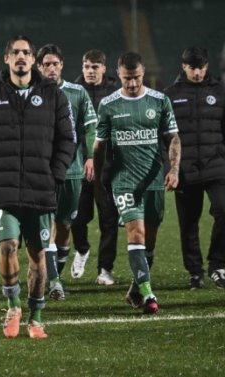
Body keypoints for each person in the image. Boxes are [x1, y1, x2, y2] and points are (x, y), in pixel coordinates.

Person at [0, 35, 75, 339]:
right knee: (7, 245)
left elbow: (66, 139)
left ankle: (37, 317)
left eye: (25, 53)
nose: (20, 57)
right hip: (3, 187)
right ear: (7, 59)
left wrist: (55, 174)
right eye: (15, 52)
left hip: (40, 187)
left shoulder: (53, 95)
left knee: (38, 255)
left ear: (32, 60)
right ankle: (13, 304)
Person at [93, 51, 181, 314]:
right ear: (119, 74)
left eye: (136, 78)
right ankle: (149, 294)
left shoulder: (160, 100)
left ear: (144, 73)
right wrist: (98, 182)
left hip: (153, 180)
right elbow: (99, 147)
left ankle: (135, 287)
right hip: (124, 181)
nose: (131, 84)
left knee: (149, 242)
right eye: (126, 79)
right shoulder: (108, 104)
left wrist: (174, 169)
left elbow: (173, 139)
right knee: (136, 234)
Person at [164, 46, 225, 289]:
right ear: (184, 67)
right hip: (185, 170)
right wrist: (168, 170)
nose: (198, 73)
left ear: (207, 66)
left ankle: (217, 266)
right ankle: (195, 272)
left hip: (216, 167)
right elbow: (164, 138)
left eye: (201, 68)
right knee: (188, 223)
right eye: (193, 68)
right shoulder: (170, 95)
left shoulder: (220, 93)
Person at [36, 44, 97, 300]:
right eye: (46, 64)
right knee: (46, 225)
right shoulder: (33, 93)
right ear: (39, 67)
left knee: (65, 225)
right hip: (42, 172)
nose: (51, 68)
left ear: (62, 65)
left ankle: (55, 276)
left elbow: (91, 127)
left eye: (55, 63)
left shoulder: (77, 92)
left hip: (72, 170)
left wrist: (91, 157)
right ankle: (54, 282)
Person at [71, 49, 121, 285]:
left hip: (109, 168)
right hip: (80, 166)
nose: (90, 71)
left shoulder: (115, 92)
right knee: (77, 217)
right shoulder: (73, 92)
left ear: (104, 68)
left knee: (109, 220)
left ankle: (104, 269)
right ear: (82, 68)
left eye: (95, 67)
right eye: (87, 66)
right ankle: (82, 249)